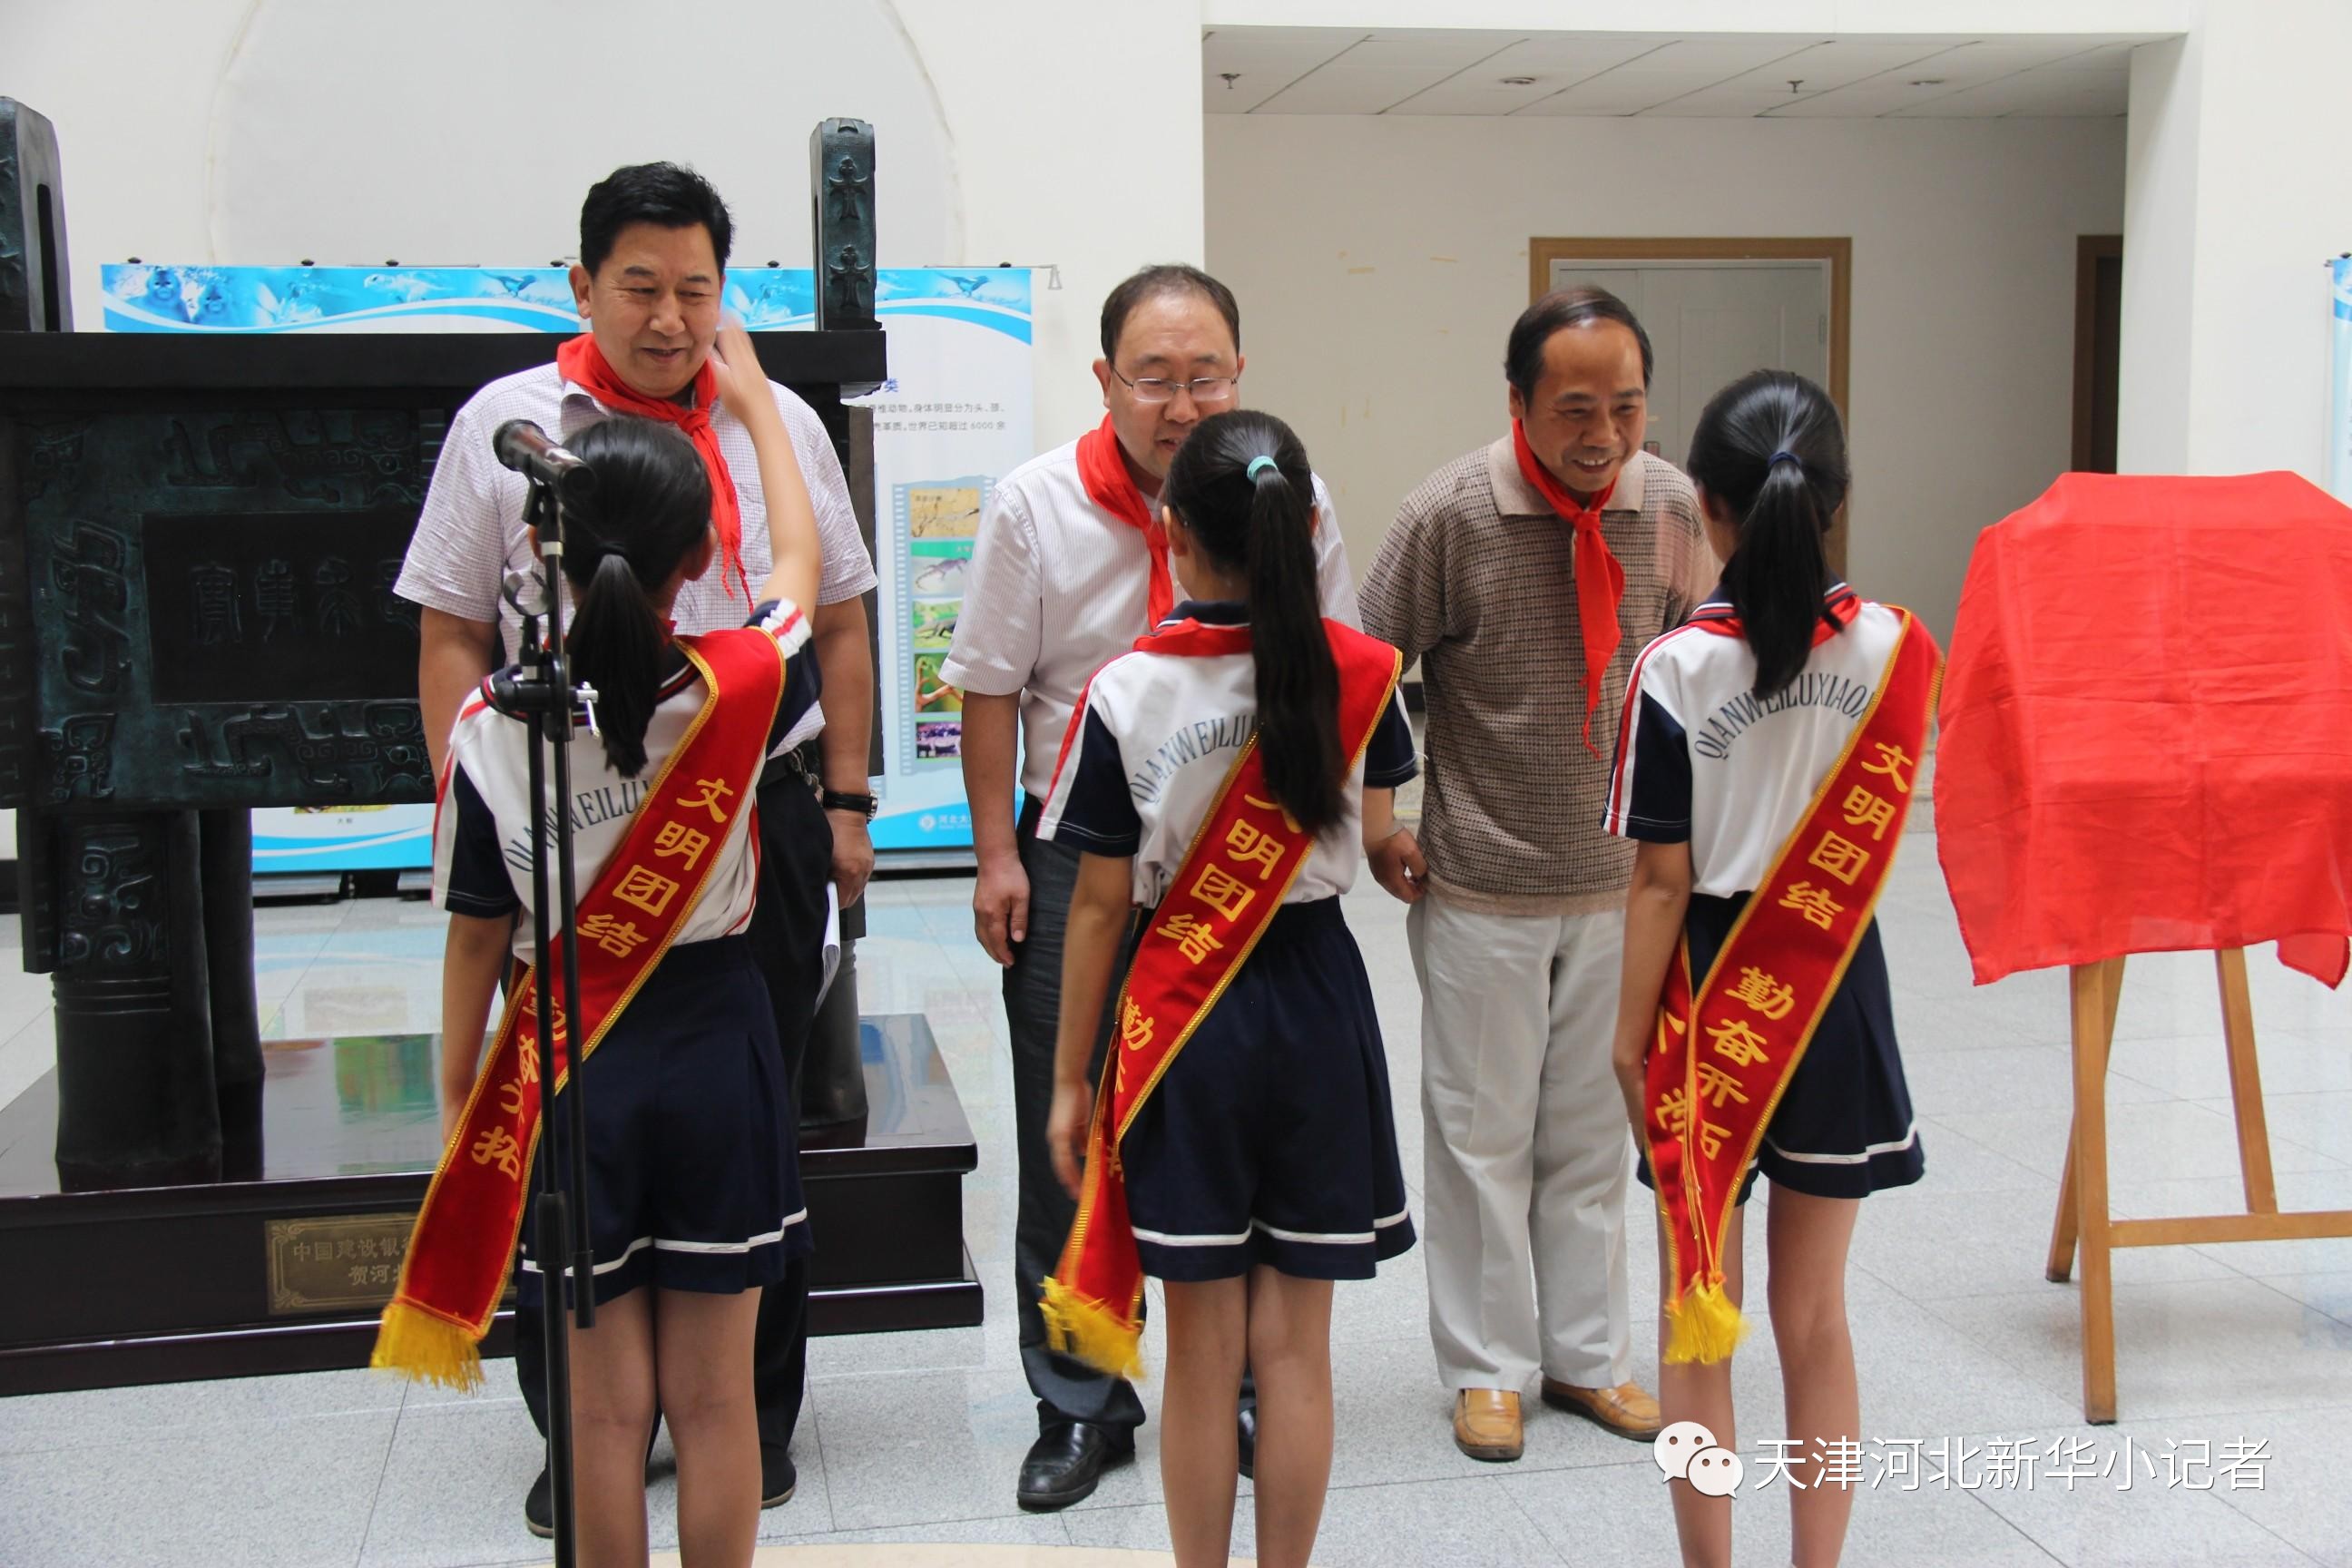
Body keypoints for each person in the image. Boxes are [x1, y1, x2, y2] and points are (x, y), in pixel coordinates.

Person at [394, 162, 877, 1532]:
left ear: (725, 290)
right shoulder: (512, 426)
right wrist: (481, 810)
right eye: (640, 289)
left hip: (708, 822)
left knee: (697, 1149)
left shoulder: (773, 419)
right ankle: (689, 1422)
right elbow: (447, 623)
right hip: (620, 848)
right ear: (582, 285)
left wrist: (841, 806)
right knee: (715, 1172)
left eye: (696, 291)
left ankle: (750, 1415)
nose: (671, 318)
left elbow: (841, 615)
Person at [942, 264, 1359, 1508]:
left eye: (1208, 377)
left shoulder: (1295, 498)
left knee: (1220, 1124)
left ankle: (1231, 1380)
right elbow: (988, 686)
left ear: (1242, 370)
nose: (1182, 405)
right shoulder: (1033, 504)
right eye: (1156, 380)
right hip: (1081, 849)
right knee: (1066, 1128)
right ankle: (1081, 1398)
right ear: (1105, 380)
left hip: (1242, 847)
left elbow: (1341, 667)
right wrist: (999, 854)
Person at [1037, 409, 1416, 1568]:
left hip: (1180, 1022)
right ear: (1305, 529)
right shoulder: (1363, 673)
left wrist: (1068, 1084)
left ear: (1174, 533)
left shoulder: (1127, 690)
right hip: (1315, 1006)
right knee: (1297, 1353)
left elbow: (1099, 907)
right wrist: (1397, 857)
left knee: (1202, 1349)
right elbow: (1388, 833)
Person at [1358, 287, 1713, 1462]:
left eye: (1626, 405)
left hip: (1625, 886)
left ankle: (1590, 1358)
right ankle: (1485, 1369)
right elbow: (1365, 668)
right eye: (1575, 409)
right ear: (1518, 403)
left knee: (1589, 1139)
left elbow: (1710, 663)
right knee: (1479, 1137)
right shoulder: (1452, 513)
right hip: (1483, 884)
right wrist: (1379, 816)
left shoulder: (1667, 505)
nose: (1603, 433)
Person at [1606, 369, 1936, 1568]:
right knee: (1816, 1320)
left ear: (1706, 504)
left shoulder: (1677, 669)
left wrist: (1624, 1039)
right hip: (1835, 991)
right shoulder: (1898, 650)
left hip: (1703, 999)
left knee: (1700, 1319)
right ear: (1836, 501)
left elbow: (1657, 882)